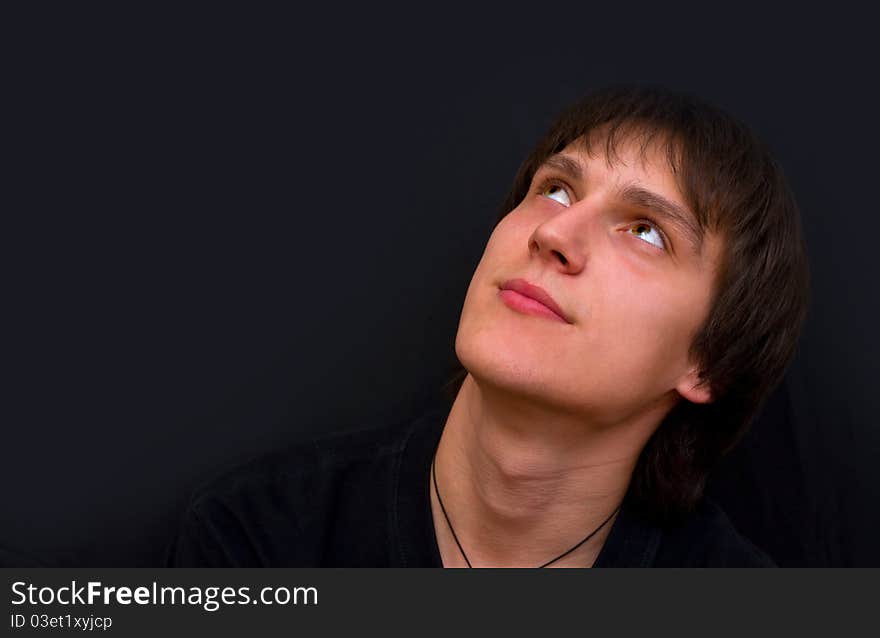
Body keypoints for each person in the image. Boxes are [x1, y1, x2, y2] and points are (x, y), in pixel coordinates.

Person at [167, 85, 810, 567]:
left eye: (645, 231)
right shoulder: (258, 539)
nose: (555, 232)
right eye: (555, 188)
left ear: (709, 361)